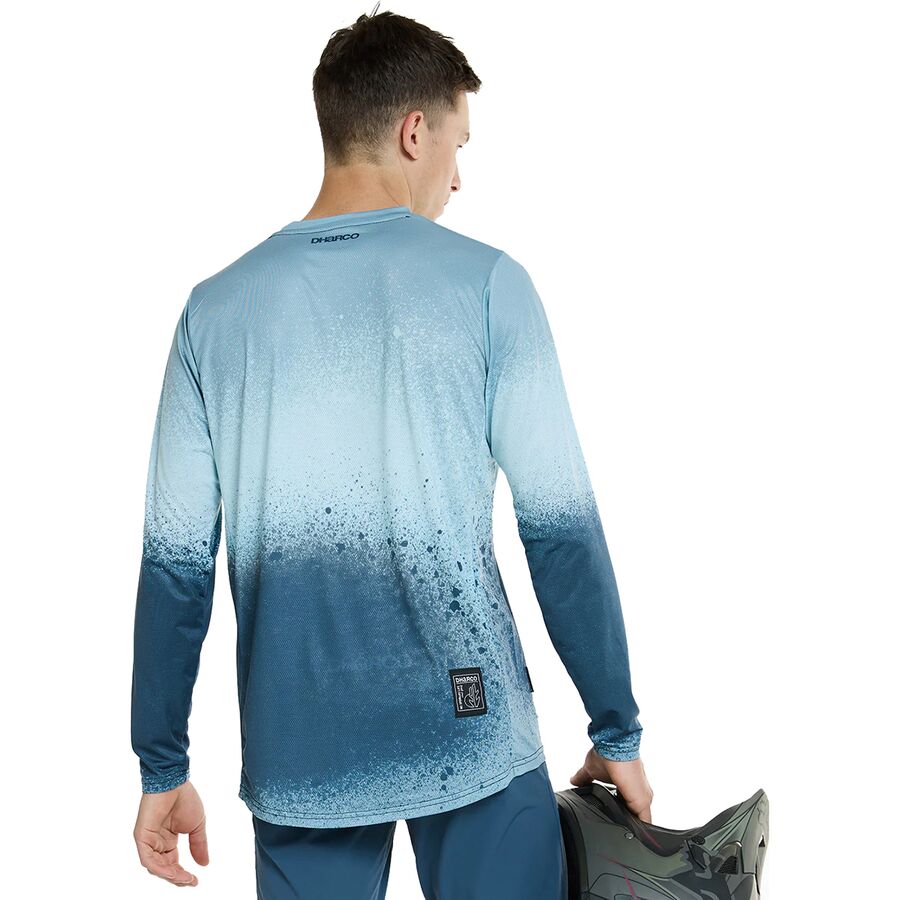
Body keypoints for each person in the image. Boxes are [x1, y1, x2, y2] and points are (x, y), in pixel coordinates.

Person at [131, 7, 653, 898]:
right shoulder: (489, 285)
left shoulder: (211, 314)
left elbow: (174, 569)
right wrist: (617, 730)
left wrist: (162, 764)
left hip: (302, 751)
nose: (459, 178)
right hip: (473, 727)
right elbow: (560, 530)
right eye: (458, 144)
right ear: (415, 132)